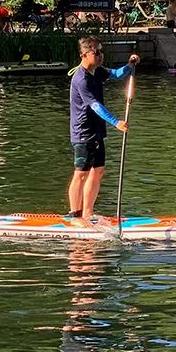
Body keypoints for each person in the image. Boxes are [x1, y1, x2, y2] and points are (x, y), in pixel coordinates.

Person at [66, 36, 139, 222]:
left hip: (97, 130)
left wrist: (129, 65)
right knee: (81, 173)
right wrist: (115, 122)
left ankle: (87, 213)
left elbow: (116, 74)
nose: (101, 55)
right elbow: (94, 105)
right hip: (83, 132)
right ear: (84, 55)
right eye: (96, 52)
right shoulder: (81, 79)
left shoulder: (97, 71)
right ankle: (75, 216)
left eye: (101, 51)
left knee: (98, 170)